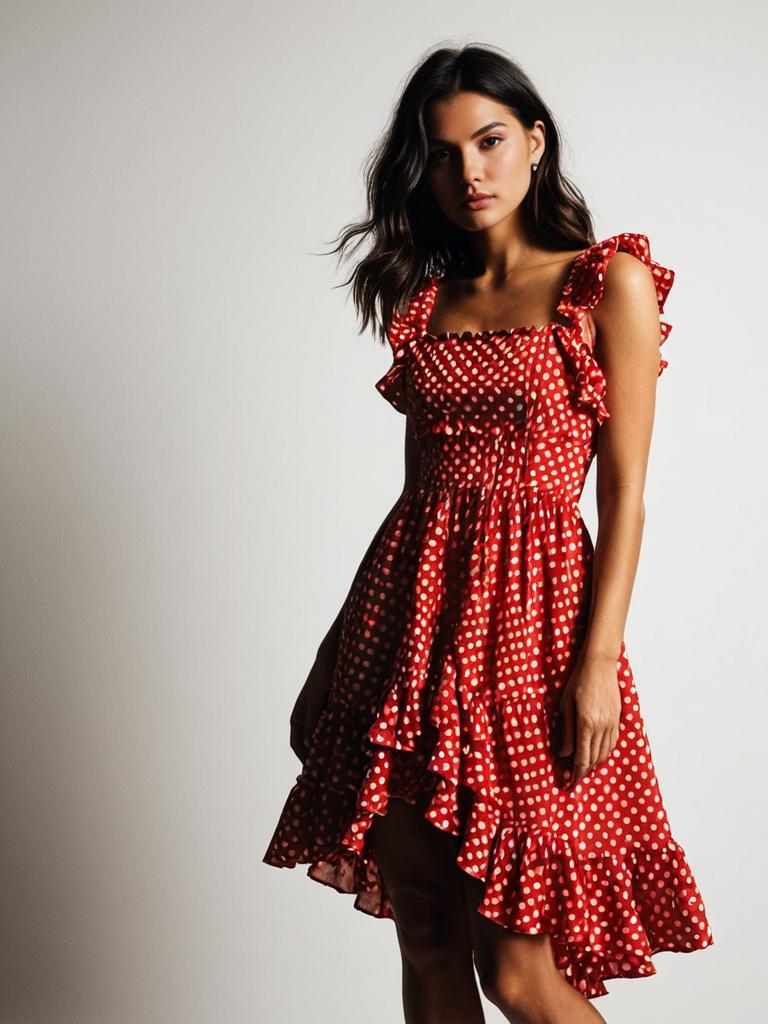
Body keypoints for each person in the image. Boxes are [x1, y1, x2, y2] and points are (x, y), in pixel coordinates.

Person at [263, 44, 714, 1024]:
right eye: (441, 153)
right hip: (407, 635)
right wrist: (332, 659)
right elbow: (413, 503)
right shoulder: (428, 304)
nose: (469, 170)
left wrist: (596, 662)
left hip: (535, 636)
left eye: (491, 140)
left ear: (536, 143)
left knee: (517, 970)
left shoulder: (607, 283)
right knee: (426, 931)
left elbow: (626, 494)